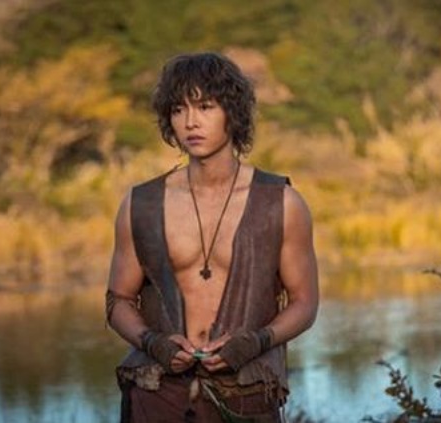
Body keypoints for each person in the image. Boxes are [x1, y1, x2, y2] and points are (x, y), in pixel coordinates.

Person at [105, 52, 319, 423]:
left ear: (232, 113)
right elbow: (118, 300)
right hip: (157, 393)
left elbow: (305, 302)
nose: (191, 122)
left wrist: (256, 341)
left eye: (205, 107)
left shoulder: (281, 203)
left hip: (246, 395)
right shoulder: (141, 203)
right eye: (178, 109)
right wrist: (153, 343)